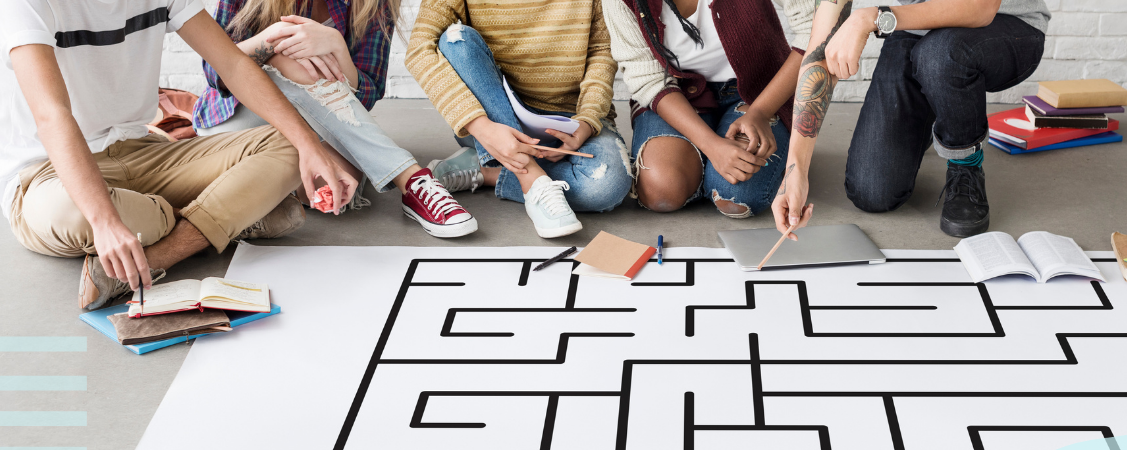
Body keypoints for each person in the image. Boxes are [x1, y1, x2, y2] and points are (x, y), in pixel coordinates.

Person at [2, 0, 356, 311]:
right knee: (71, 214)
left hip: (143, 151)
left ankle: (165, 250)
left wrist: (310, 145)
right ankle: (232, 212)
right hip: (50, 170)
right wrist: (106, 223)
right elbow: (52, 114)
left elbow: (232, 65)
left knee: (290, 145)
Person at [194, 0, 477, 238]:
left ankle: (263, 197)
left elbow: (365, 95)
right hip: (240, 117)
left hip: (313, 117)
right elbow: (215, 71)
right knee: (288, 59)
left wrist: (337, 47)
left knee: (340, 187)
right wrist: (274, 40)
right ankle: (412, 180)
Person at [773, 0, 1048, 239]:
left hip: (1007, 26)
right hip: (918, 26)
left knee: (940, 55)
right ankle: (934, 109)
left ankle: (966, 163)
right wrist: (794, 172)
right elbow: (821, 47)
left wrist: (868, 18)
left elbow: (980, 7)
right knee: (872, 192)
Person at [405, 0, 634, 239]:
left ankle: (487, 170)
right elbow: (419, 49)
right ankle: (531, 178)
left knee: (607, 186)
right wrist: (483, 128)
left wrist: (587, 119)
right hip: (494, 118)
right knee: (455, 39)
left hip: (569, 118)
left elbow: (602, 51)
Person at [602, 0, 816, 219]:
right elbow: (646, 77)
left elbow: (817, 28)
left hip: (757, 91)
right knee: (662, 191)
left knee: (736, 197)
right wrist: (712, 146)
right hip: (674, 94)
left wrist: (761, 111)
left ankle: (769, 151)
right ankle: (702, 160)